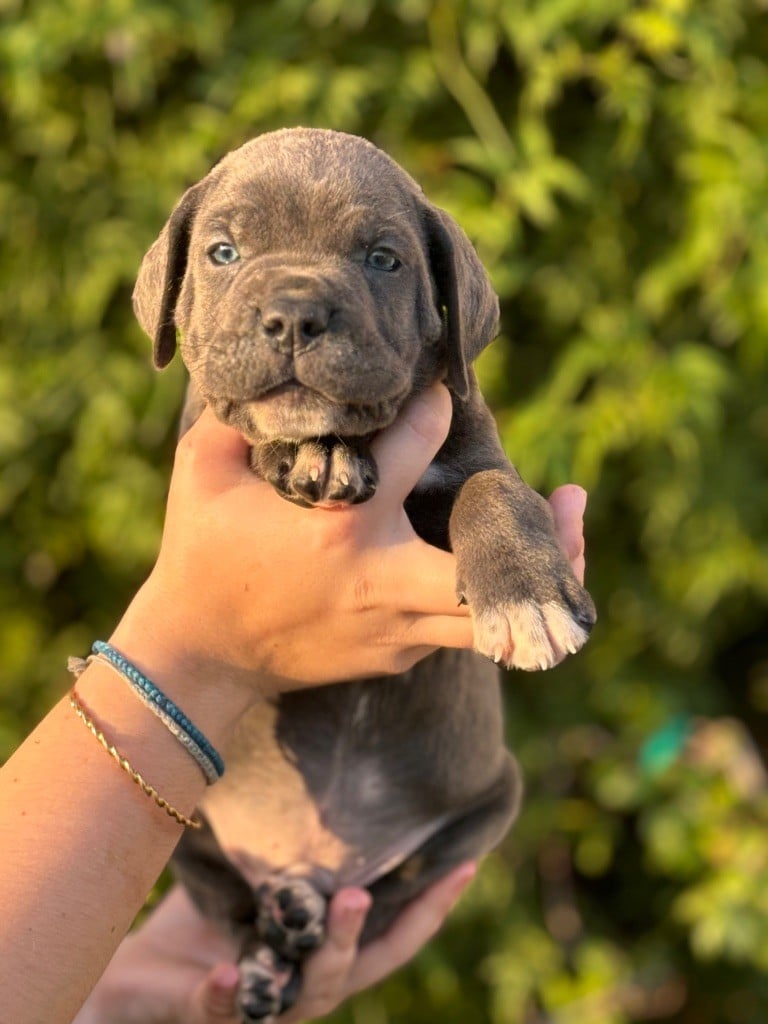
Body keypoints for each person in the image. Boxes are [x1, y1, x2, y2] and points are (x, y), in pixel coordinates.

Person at [0, 383, 588, 1024]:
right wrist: (193, 648)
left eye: (386, 270)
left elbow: (483, 481)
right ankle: (256, 929)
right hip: (233, 835)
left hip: (425, 818)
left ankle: (261, 934)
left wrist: (115, 998)